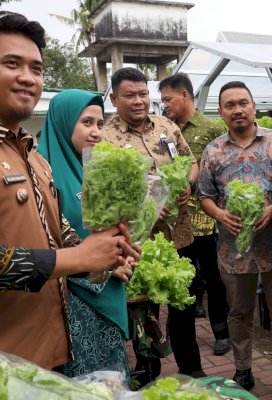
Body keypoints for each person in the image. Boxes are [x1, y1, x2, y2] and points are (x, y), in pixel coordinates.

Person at [0, 11, 139, 371]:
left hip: (49, 349)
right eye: (11, 64)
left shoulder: (32, 157)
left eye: (37, 68)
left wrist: (106, 255)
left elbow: (57, 230)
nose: (27, 78)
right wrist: (77, 260)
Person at [198, 81, 272, 400]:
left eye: (243, 102)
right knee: (239, 313)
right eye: (230, 105)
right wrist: (220, 215)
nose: (237, 109)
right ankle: (243, 369)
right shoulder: (213, 150)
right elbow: (204, 195)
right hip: (233, 249)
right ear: (221, 112)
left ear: (254, 106)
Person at [102, 67, 203, 383]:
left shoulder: (167, 127)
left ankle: (191, 367)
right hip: (139, 240)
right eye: (129, 95)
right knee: (143, 310)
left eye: (143, 94)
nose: (138, 101)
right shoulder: (104, 136)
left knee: (183, 306)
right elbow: (100, 191)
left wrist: (188, 184)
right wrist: (140, 207)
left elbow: (191, 163)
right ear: (114, 98)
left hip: (179, 235)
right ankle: (149, 370)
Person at [37, 89, 132, 381]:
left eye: (100, 124)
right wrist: (100, 265)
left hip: (109, 295)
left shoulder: (92, 169)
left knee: (111, 380)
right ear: (64, 123)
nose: (96, 132)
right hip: (72, 306)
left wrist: (122, 252)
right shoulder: (43, 174)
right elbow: (39, 247)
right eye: (86, 123)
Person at [159, 72, 231, 356]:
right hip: (176, 221)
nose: (164, 105)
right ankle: (178, 331)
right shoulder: (164, 131)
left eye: (168, 99)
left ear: (185, 95)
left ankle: (221, 331)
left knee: (215, 278)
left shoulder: (212, 128)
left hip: (208, 219)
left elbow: (224, 170)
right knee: (183, 280)